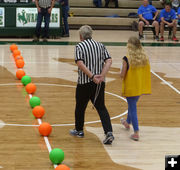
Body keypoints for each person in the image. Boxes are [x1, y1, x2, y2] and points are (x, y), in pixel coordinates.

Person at [69, 25, 114, 145]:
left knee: (80, 107)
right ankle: (109, 132)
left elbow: (80, 63)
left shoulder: (79, 46)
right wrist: (101, 76)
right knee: (101, 107)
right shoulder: (100, 45)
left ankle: (79, 130)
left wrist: (92, 76)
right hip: (99, 83)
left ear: (80, 36)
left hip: (84, 82)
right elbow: (109, 61)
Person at [120, 36, 151, 141]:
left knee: (133, 109)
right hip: (140, 87)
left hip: (130, 87)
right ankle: (127, 123)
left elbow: (122, 75)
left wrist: (120, 74)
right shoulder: (144, 57)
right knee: (131, 105)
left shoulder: (127, 58)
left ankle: (136, 132)